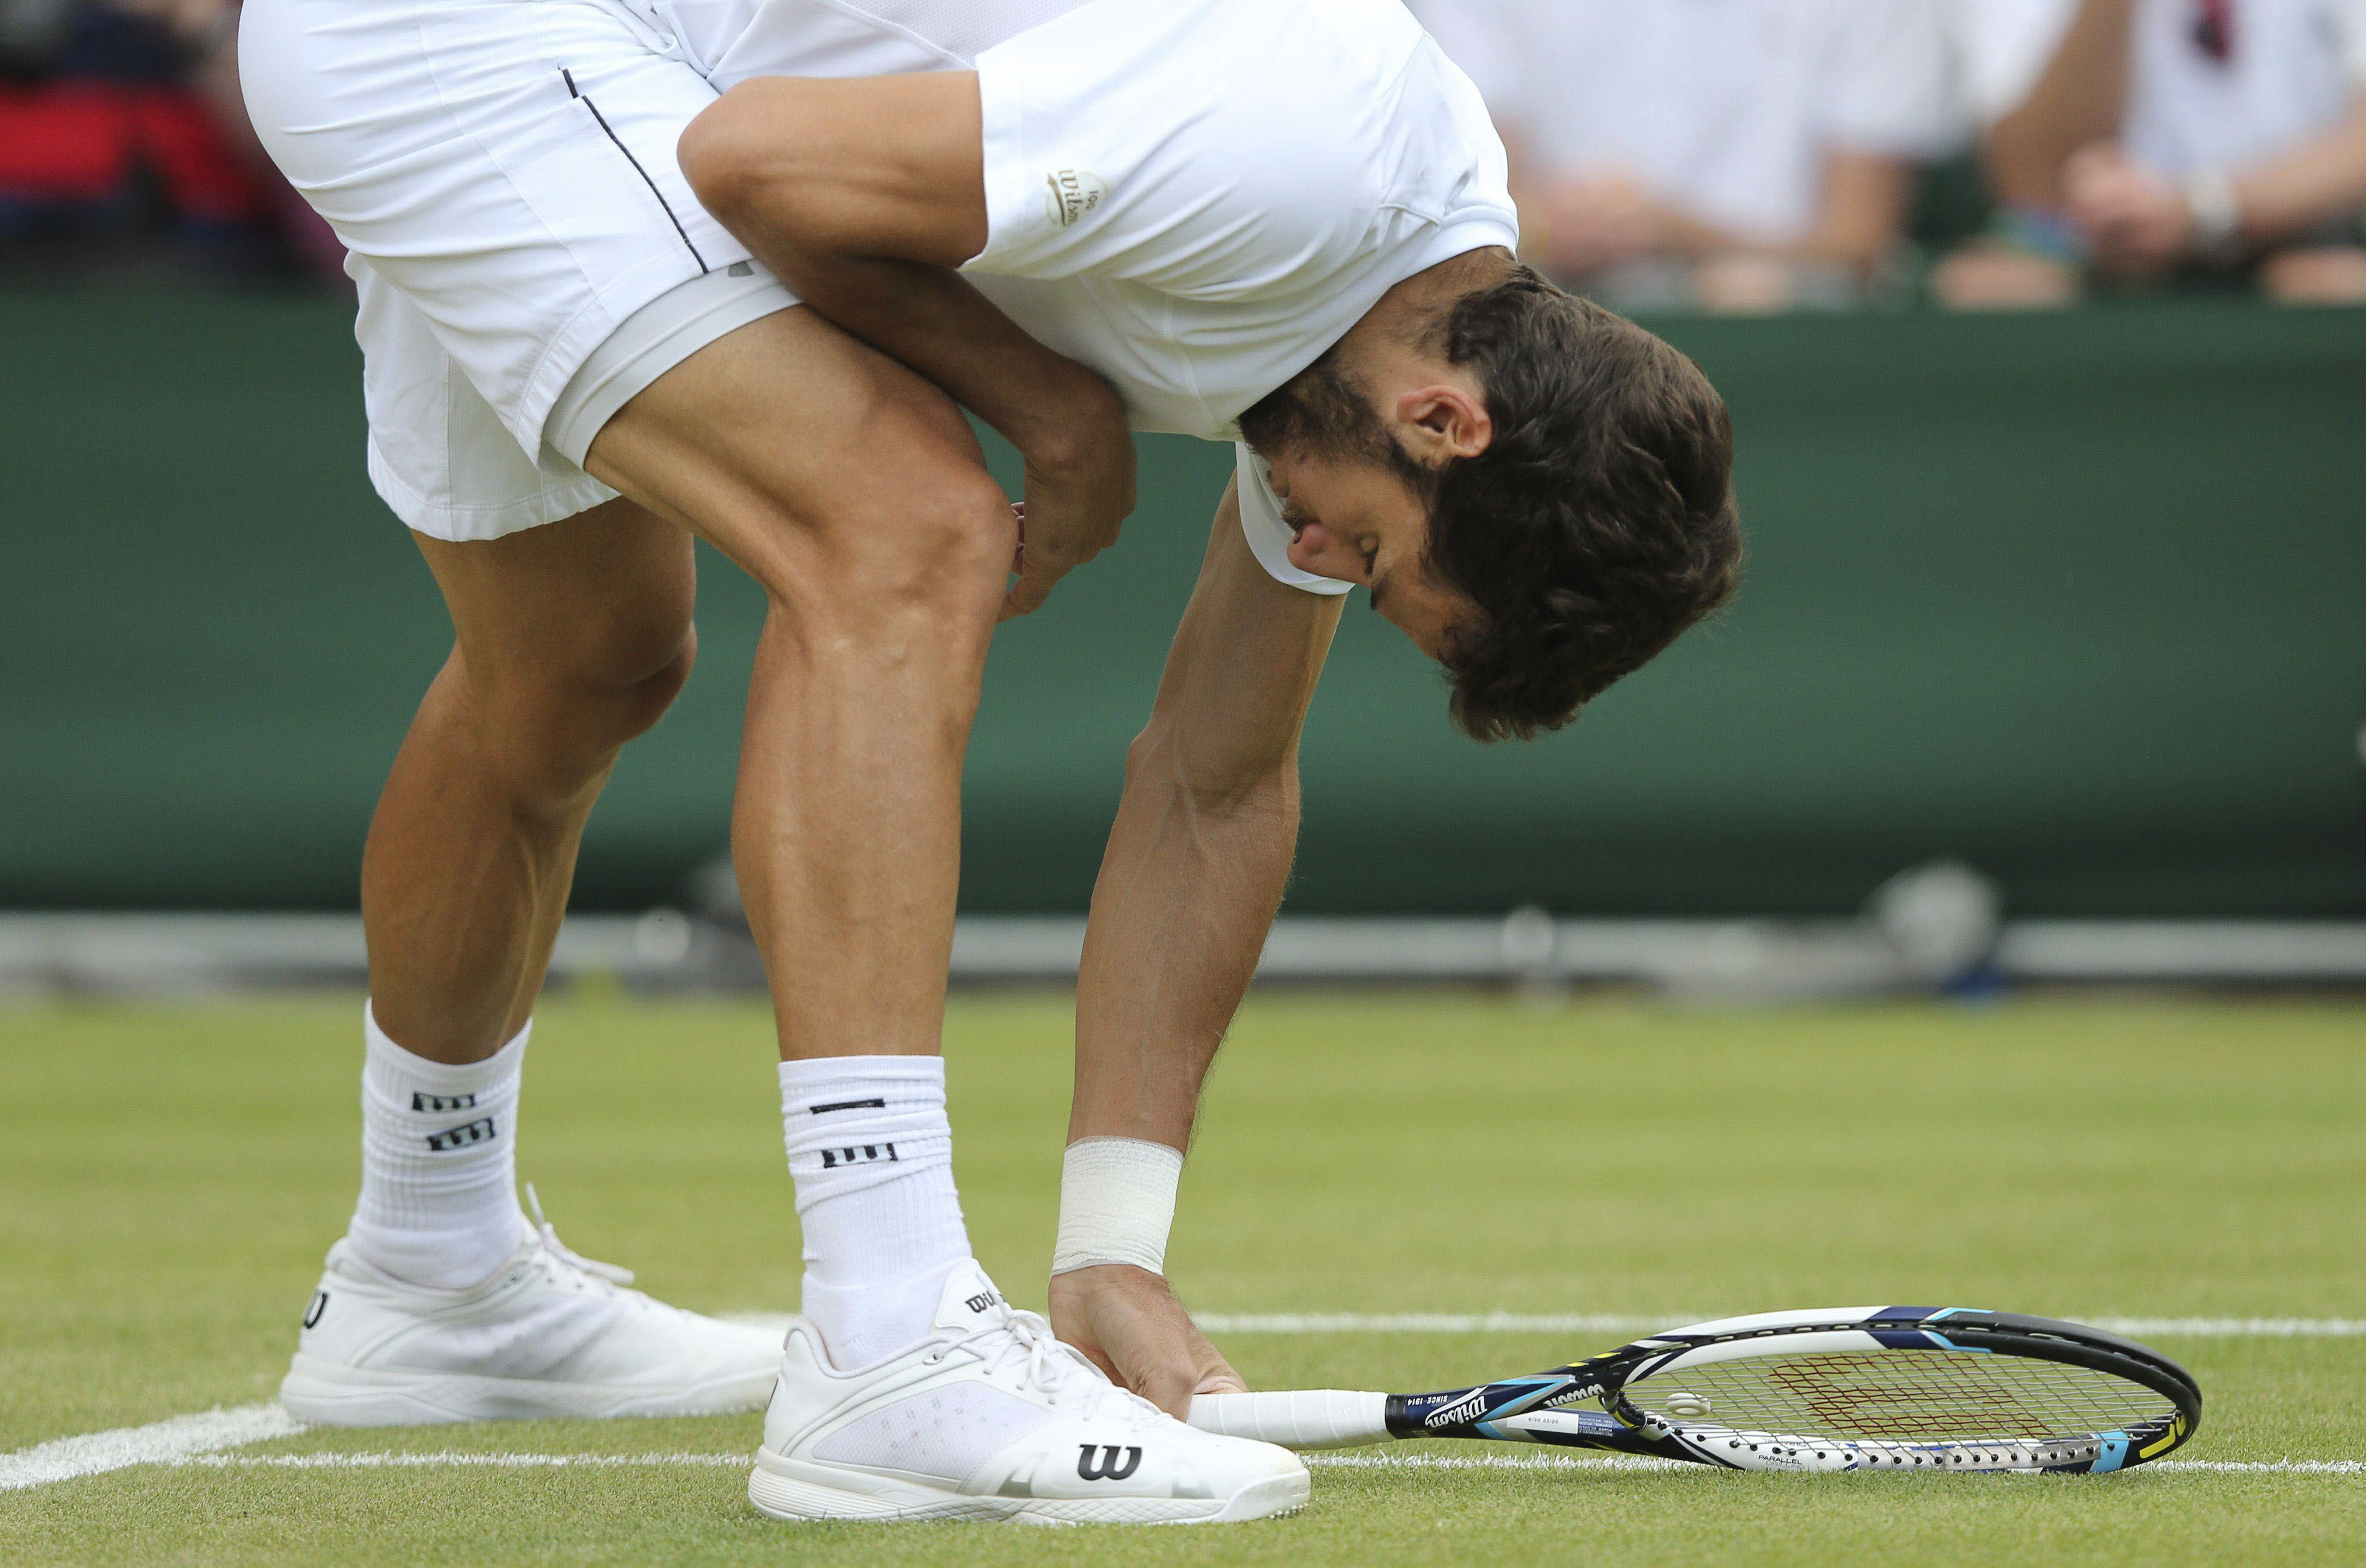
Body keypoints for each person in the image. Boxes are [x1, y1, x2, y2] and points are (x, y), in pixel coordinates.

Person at [237, 0, 1741, 1524]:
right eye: (1374, 552)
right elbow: (752, 162)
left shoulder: (1389, 323)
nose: (1315, 555)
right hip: (478, 30)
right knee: (901, 526)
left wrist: (1113, 1248)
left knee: (577, 669)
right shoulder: (1295, 159)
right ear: (1445, 418)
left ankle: (430, 1269)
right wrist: (1056, 415)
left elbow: (1216, 777)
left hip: (592, 58)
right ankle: (887, 1341)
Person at [1411, 0, 1952, 311]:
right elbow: (1478, 200)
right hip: (1550, 332)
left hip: (1795, 336)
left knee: (1750, 294)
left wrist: (1674, 236)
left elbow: (1860, 243)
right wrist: (1548, 229)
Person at [1938, 0, 2366, 307]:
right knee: (2007, 285)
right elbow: (2035, 187)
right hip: (2106, 264)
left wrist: (2205, 212)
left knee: (2320, 280)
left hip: (2317, 246)